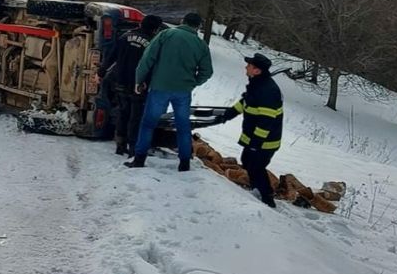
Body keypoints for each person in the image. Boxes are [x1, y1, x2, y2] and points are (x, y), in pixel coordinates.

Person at [125, 13, 214, 171]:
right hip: (183, 91)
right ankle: (184, 163)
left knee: (148, 124)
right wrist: (193, 83)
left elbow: (147, 58)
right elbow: (207, 71)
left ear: (182, 21)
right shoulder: (201, 45)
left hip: (159, 87)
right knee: (183, 127)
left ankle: (139, 159)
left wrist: (139, 80)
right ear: (198, 26)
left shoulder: (165, 35)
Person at [210, 52, 283, 207]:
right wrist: (227, 115)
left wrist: (256, 143)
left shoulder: (268, 91)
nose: (246, 67)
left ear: (257, 70)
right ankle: (257, 190)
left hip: (265, 142)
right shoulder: (257, 84)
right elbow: (245, 103)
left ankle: (267, 198)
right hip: (255, 139)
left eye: (249, 65)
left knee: (256, 166)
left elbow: (266, 121)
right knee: (247, 161)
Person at [99, 14, 163, 156]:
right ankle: (133, 147)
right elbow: (155, 65)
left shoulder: (125, 37)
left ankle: (120, 144)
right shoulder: (153, 43)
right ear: (155, 29)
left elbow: (112, 56)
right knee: (136, 117)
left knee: (123, 112)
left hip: (120, 81)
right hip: (139, 85)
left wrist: (102, 70)